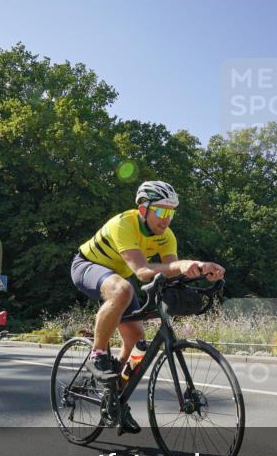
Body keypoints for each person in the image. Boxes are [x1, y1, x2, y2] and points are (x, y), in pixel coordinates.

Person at [71, 181, 225, 435]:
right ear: (143, 209)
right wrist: (183, 265)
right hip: (87, 265)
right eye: (162, 212)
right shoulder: (124, 223)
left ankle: (114, 398)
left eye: (171, 213)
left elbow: (174, 275)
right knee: (122, 290)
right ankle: (97, 355)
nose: (167, 219)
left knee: (137, 340)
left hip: (118, 275)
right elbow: (143, 272)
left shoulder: (166, 237)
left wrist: (202, 270)